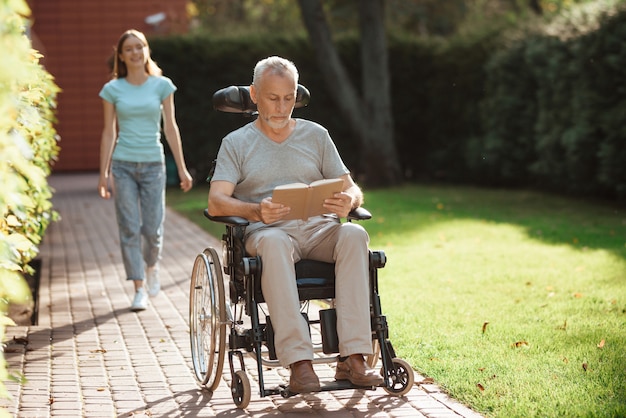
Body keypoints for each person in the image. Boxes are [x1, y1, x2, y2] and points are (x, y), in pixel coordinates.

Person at [207, 56, 383, 393]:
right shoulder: (236, 143)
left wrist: (351, 201)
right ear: (254, 94)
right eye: (273, 98)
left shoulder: (316, 135)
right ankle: (300, 364)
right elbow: (216, 201)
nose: (282, 106)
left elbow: (351, 186)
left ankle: (354, 358)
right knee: (273, 244)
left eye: (289, 97)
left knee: (355, 234)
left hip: (321, 229)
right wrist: (256, 211)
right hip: (270, 232)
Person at [98, 29, 193, 312]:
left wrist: (184, 169)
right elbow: (108, 133)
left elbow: (171, 128)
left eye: (140, 47)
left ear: (146, 50)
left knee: (152, 229)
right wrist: (103, 173)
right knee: (129, 228)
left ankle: (152, 266)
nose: (135, 52)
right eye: (129, 49)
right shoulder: (112, 89)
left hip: (154, 165)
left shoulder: (162, 85)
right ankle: (138, 288)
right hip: (123, 165)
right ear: (122, 55)